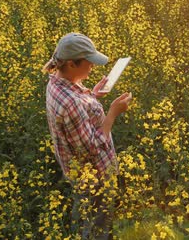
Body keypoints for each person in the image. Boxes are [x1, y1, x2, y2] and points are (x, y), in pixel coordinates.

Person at [41, 32, 133, 239]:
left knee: (85, 214)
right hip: (94, 177)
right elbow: (91, 148)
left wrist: (91, 95)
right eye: (89, 62)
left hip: (78, 175)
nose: (93, 66)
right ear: (72, 64)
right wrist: (112, 113)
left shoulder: (56, 84)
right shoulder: (71, 102)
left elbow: (75, 113)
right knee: (98, 227)